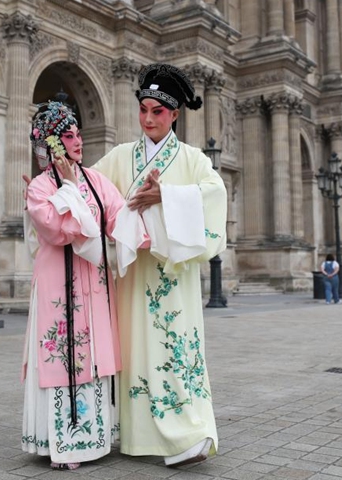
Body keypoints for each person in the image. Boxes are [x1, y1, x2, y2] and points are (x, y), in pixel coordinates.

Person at [93, 63, 227, 467]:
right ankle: (136, 437)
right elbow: (93, 190)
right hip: (132, 280)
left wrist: (166, 196)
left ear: (174, 115)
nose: (149, 118)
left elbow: (214, 194)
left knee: (175, 351)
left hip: (173, 279)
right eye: (144, 109)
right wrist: (57, 180)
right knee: (136, 353)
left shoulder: (193, 159)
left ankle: (188, 433)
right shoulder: (120, 157)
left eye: (158, 112)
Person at [21, 101, 125, 470]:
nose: (79, 141)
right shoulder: (39, 186)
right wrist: (67, 190)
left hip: (93, 283)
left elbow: (118, 218)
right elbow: (56, 228)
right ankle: (60, 442)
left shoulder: (97, 181)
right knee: (61, 354)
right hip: (57, 284)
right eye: (69, 135)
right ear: (52, 144)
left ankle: (94, 439)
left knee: (93, 353)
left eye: (79, 133)